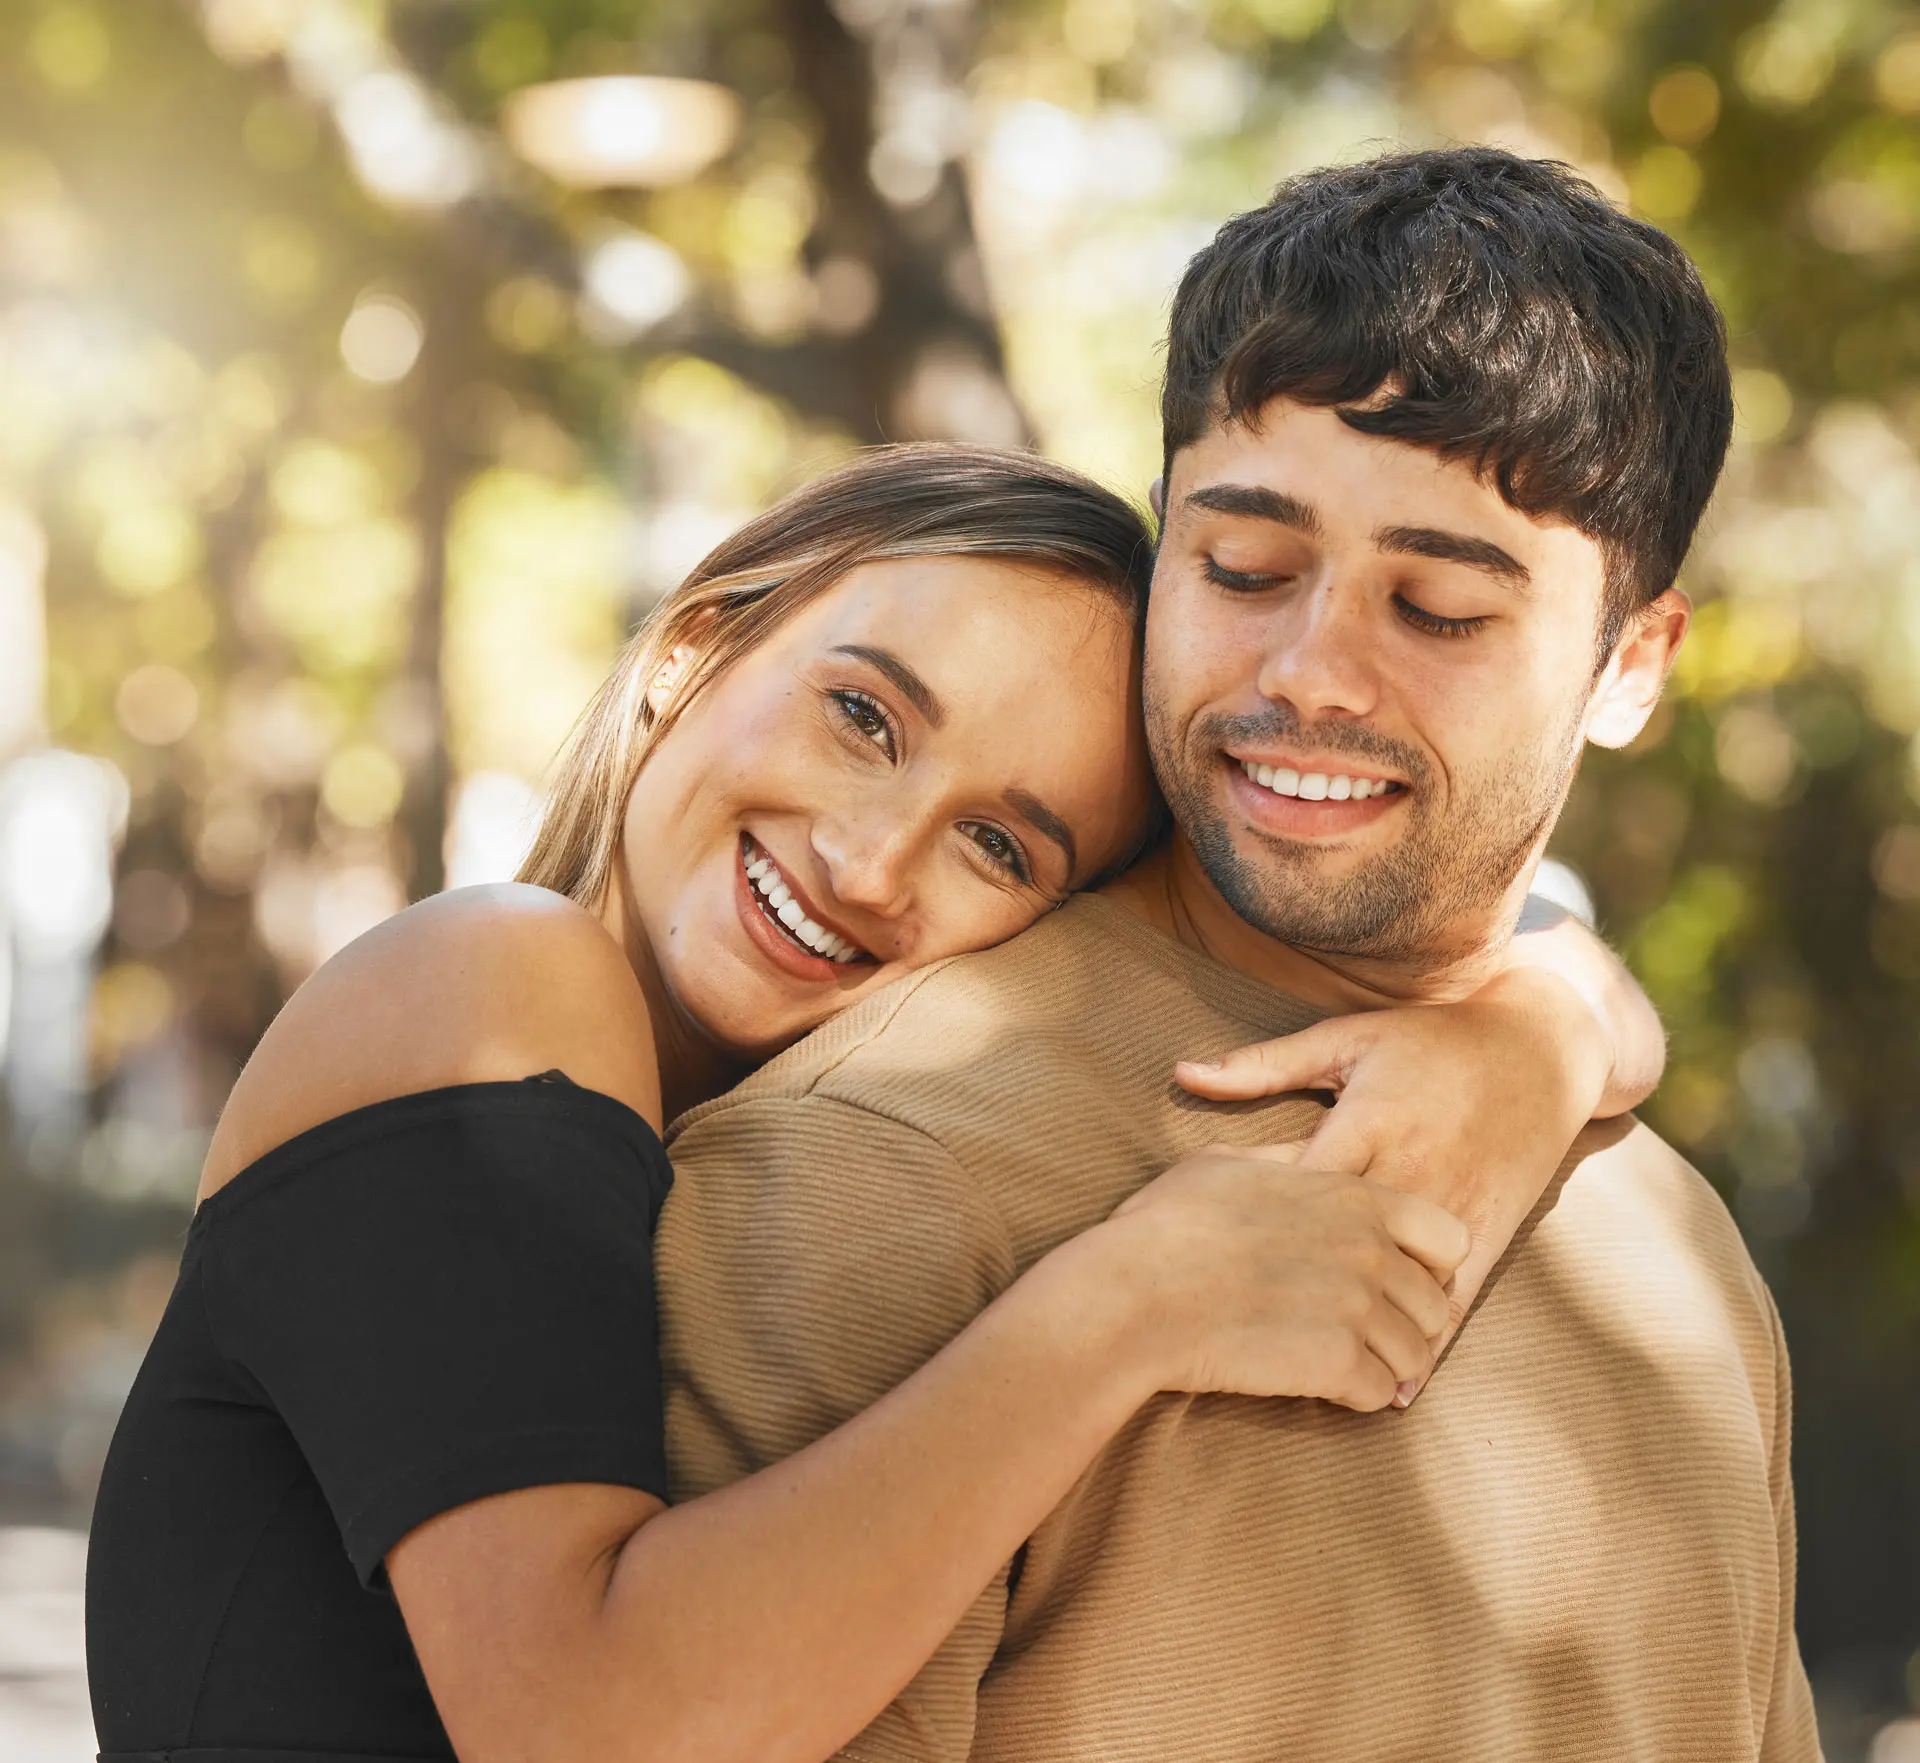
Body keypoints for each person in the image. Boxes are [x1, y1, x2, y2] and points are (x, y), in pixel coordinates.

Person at [86, 443, 1661, 1763]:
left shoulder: (782, 1174)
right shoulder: (494, 977)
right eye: (865, 717)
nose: (871, 858)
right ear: (698, 649)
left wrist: (1542, 1023)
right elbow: (585, 1720)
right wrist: (1126, 1305)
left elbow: (1571, 967)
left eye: (1002, 845)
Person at [654, 147, 1822, 1762]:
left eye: (1440, 610)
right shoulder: (878, 1160)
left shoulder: (1686, 1261)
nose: (1313, 672)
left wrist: (1553, 1024)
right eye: (1245, 568)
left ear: (1632, 663)